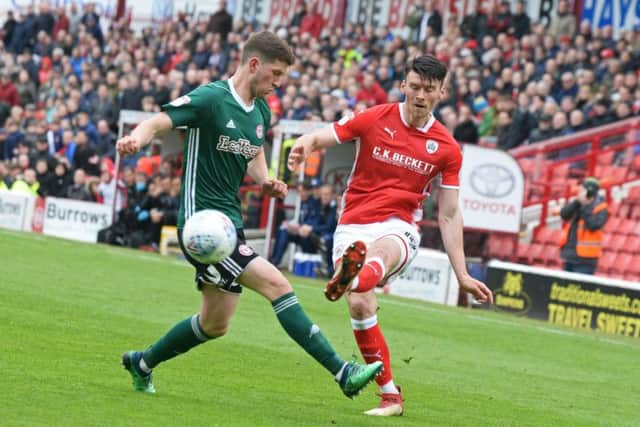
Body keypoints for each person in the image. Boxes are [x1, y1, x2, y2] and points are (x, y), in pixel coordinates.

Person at [116, 31, 382, 399]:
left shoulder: (259, 110)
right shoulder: (211, 99)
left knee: (214, 324)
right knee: (278, 285)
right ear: (253, 64)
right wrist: (136, 139)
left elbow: (253, 148)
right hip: (201, 226)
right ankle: (342, 372)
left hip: (230, 224)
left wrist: (265, 180)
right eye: (275, 75)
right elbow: (160, 121)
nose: (278, 83)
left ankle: (142, 363)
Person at [287, 54, 494, 417]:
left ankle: (355, 274)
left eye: (428, 90)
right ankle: (390, 397)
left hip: (399, 228)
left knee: (377, 256)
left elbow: (448, 214)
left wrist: (462, 274)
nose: (419, 95)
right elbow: (326, 134)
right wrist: (305, 144)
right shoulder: (374, 118)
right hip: (352, 223)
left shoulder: (446, 147)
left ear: (441, 92)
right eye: (414, 87)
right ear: (403, 86)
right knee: (359, 304)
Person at [558, 177, 608, 274]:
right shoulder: (577, 203)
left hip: (586, 258)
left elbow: (593, 225)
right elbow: (564, 215)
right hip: (569, 255)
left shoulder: (601, 208)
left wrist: (585, 206)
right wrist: (577, 202)